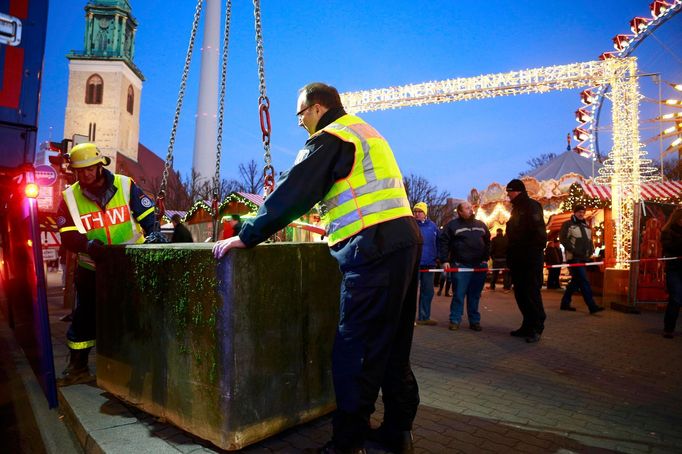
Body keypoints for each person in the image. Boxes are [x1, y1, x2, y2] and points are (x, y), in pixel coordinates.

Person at [213, 83, 420, 454]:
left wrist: (249, 234)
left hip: (371, 248)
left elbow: (295, 189)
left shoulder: (331, 136)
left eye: (300, 115)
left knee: (354, 349)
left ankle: (346, 443)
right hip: (401, 240)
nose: (300, 123)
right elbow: (355, 197)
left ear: (317, 108)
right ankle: (397, 431)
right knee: (393, 344)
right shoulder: (366, 132)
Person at [56, 143, 155, 386]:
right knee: (85, 317)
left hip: (129, 265)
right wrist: (87, 245)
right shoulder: (69, 198)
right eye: (80, 171)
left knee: (131, 314)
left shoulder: (125, 185)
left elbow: (147, 216)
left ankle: (133, 367)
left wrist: (154, 233)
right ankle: (78, 367)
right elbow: (67, 235)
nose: (85, 175)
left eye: (89, 169)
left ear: (100, 166)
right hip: (92, 268)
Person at [505, 179, 547, 343]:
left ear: (517, 191)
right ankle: (527, 324)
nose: (508, 195)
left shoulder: (532, 206)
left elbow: (539, 234)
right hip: (518, 259)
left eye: (510, 192)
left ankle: (537, 326)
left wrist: (532, 253)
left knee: (531, 293)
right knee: (521, 294)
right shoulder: (517, 209)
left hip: (529, 258)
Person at [439, 201, 490, 331]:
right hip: (461, 266)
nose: (470, 210)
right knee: (459, 294)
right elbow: (443, 242)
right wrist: (445, 260)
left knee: (475, 295)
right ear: (460, 212)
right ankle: (455, 320)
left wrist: (485, 259)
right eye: (467, 208)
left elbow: (488, 242)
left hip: (479, 266)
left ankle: (474, 321)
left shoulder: (481, 225)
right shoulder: (452, 226)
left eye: (470, 207)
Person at [559, 205, 604, 314]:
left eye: (583, 212)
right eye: (579, 212)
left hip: (584, 257)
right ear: (574, 213)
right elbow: (563, 239)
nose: (581, 214)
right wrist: (573, 250)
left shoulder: (586, 226)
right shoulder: (568, 224)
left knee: (575, 281)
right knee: (584, 280)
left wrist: (591, 250)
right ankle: (592, 306)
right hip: (574, 258)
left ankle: (565, 303)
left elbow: (589, 241)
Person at [413, 202, 439, 326]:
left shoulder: (433, 226)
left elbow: (440, 242)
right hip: (414, 264)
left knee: (428, 292)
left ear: (425, 213)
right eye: (415, 211)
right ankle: (409, 318)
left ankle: (424, 317)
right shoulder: (411, 226)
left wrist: (439, 257)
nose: (417, 214)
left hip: (429, 264)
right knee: (411, 292)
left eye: (420, 211)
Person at [660, 208, 682, 338]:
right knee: (676, 298)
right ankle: (669, 328)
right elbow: (670, 248)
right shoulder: (668, 231)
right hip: (674, 269)